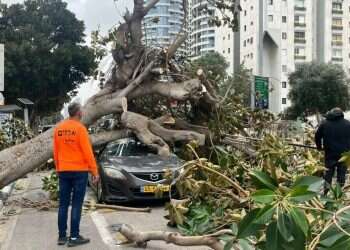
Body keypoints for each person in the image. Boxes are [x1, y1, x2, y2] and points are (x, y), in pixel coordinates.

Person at [53, 102, 100, 247]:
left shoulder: (58, 128)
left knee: (63, 204)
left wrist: (58, 168)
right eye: (82, 111)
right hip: (79, 171)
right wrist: (94, 171)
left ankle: (62, 236)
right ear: (78, 113)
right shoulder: (80, 129)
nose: (83, 112)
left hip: (63, 171)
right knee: (76, 204)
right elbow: (87, 152)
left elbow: (55, 152)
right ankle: (74, 237)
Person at [315, 107, 350, 195]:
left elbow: (317, 136)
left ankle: (325, 193)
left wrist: (319, 147)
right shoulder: (348, 124)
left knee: (328, 175)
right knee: (341, 175)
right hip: (344, 155)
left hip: (330, 155)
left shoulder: (325, 124)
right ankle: (338, 195)